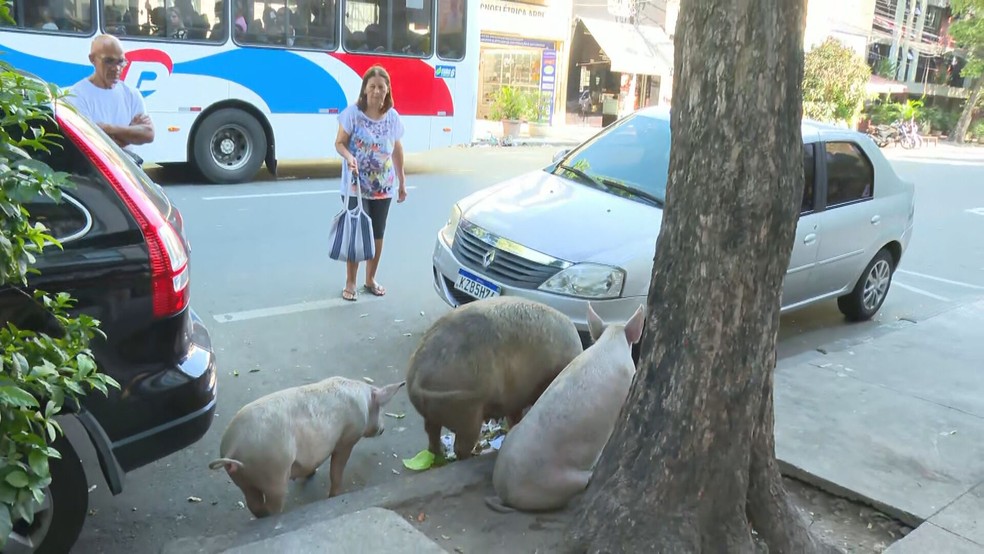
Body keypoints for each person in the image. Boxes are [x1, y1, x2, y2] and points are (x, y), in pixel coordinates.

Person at [334, 64, 407, 301]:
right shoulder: (353, 113)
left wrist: (402, 181)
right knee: (356, 234)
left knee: (377, 233)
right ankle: (351, 281)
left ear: (387, 91)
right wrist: (349, 157)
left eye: (381, 87)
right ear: (365, 89)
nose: (376, 91)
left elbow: (397, 149)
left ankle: (370, 279)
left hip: (383, 188)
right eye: (372, 86)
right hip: (356, 187)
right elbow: (340, 143)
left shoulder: (392, 118)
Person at [65, 35, 155, 152]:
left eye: (120, 62)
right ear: (92, 59)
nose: (116, 68)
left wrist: (106, 128)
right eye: (109, 61)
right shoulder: (77, 95)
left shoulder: (131, 94)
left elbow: (148, 134)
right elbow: (86, 140)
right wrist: (129, 132)